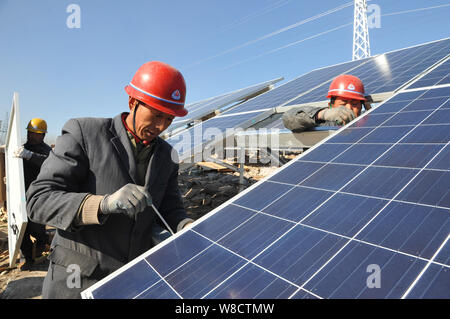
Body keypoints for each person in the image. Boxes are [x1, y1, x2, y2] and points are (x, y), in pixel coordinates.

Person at [26, 61, 194, 298]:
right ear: (133, 102)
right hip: (77, 283)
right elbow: (38, 200)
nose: (160, 126)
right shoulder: (84, 134)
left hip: (132, 283)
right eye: (156, 115)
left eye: (168, 119)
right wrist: (103, 204)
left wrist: (184, 225)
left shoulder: (167, 156)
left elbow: (170, 208)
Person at [13, 118, 52, 271]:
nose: (31, 135)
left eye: (35, 133)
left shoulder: (47, 151)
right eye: (30, 132)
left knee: (36, 226)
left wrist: (29, 156)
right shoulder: (22, 148)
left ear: (42, 135)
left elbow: (48, 163)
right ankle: (29, 258)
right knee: (22, 229)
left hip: (38, 196)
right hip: (22, 195)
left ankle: (42, 242)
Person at [282, 74, 371, 132]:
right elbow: (288, 118)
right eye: (343, 104)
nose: (348, 108)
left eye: (355, 104)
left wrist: (373, 115)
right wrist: (322, 114)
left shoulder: (367, 127)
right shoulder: (322, 124)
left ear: (362, 106)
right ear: (331, 106)